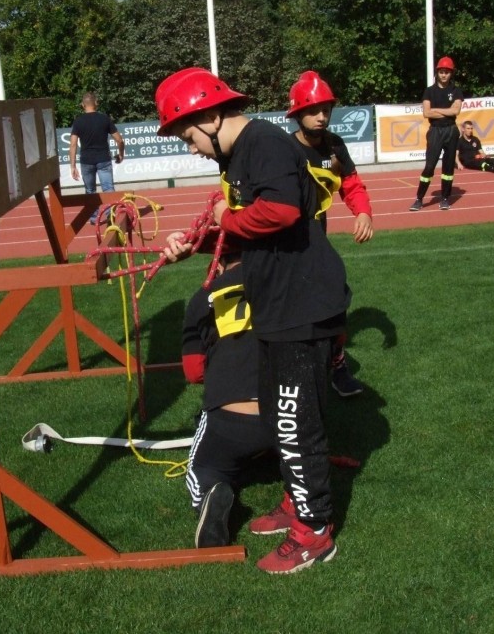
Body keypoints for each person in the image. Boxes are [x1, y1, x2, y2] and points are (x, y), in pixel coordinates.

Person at [157, 67, 350, 574]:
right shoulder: (245, 152)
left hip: (302, 305)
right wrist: (194, 245)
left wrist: (224, 218)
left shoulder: (262, 142)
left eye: (189, 136)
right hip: (278, 303)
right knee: (278, 416)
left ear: (212, 116)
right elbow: (249, 232)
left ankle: (316, 531)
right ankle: (295, 502)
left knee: (293, 422)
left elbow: (282, 212)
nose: (192, 149)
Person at [286, 70, 372, 397]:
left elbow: (351, 184)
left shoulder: (335, 145)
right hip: (284, 247)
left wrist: (363, 211)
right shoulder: (283, 148)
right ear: (297, 113)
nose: (322, 117)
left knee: (335, 300)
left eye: (326, 109)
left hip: (317, 244)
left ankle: (336, 366)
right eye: (313, 110)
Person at [183, 251, 272, 548]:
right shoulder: (282, 279)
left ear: (218, 264)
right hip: (286, 412)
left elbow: (193, 372)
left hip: (230, 419)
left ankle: (211, 491)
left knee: (200, 469)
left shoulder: (202, 297)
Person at [409, 56, 464, 212]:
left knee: (448, 168)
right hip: (435, 131)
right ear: (437, 73)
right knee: (429, 166)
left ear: (451, 73)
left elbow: (456, 111)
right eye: (441, 72)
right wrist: (446, 112)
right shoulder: (429, 91)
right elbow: (427, 113)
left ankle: (445, 198)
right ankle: (419, 199)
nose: (444, 75)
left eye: (447, 72)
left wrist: (436, 110)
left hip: (451, 130)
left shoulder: (456, 91)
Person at [68, 92, 125, 223]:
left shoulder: (78, 121)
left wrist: (73, 166)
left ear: (82, 105)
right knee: (108, 188)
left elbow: (73, 144)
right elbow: (119, 140)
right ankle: (111, 215)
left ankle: (94, 218)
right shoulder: (104, 119)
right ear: (96, 103)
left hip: (86, 161)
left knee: (90, 190)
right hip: (103, 159)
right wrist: (121, 154)